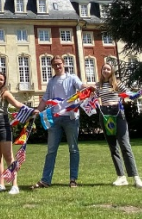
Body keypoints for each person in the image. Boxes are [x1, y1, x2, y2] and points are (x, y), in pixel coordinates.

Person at [31, 55, 93, 189]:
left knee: (73, 149)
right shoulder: (51, 82)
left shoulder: (72, 78)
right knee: (51, 150)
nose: (57, 67)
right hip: (55, 119)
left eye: (59, 64)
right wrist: (37, 110)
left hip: (71, 118)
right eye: (55, 65)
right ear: (52, 67)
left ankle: (73, 179)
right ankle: (45, 180)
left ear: (64, 64)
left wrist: (88, 87)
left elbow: (82, 87)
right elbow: (45, 100)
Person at [96, 63, 142, 189]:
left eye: (108, 69)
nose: (106, 70)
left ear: (112, 71)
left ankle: (136, 177)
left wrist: (140, 92)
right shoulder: (98, 86)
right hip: (105, 115)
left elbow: (130, 94)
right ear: (101, 70)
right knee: (113, 147)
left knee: (125, 145)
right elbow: (93, 98)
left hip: (118, 113)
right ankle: (121, 177)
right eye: (104, 68)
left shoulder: (117, 84)